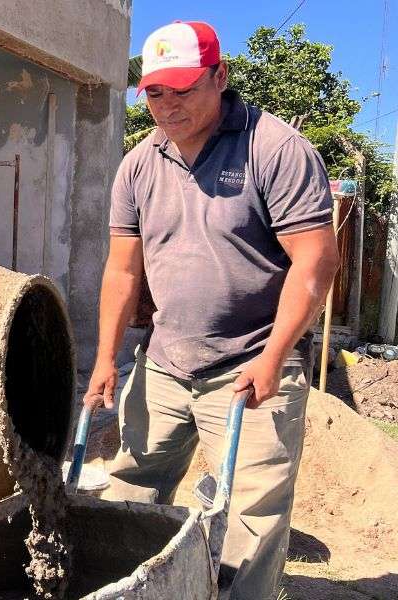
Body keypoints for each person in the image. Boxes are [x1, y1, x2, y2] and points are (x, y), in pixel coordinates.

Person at [84, 21, 339, 599]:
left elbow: (316, 263)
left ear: (219, 77)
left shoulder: (274, 149)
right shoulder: (139, 164)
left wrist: (275, 358)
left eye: (184, 88)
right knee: (131, 492)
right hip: (165, 365)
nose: (168, 106)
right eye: (154, 92)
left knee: (251, 519)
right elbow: (123, 270)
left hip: (251, 368)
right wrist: (106, 358)